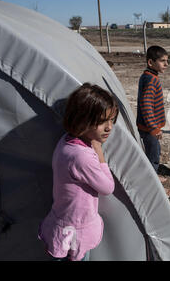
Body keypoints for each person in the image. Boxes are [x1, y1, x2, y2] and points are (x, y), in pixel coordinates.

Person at [38, 83, 118, 261]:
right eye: (101, 122)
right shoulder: (82, 157)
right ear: (82, 120)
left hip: (63, 221)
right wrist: (99, 152)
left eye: (111, 120)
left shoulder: (66, 141)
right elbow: (107, 187)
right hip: (76, 229)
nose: (109, 127)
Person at [136, 46, 170, 193]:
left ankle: (153, 177)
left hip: (147, 127)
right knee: (153, 155)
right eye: (162, 61)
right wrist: (154, 128)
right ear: (151, 62)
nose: (166, 64)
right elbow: (146, 104)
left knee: (152, 153)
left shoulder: (147, 76)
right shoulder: (151, 80)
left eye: (167, 61)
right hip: (149, 129)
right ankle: (151, 187)